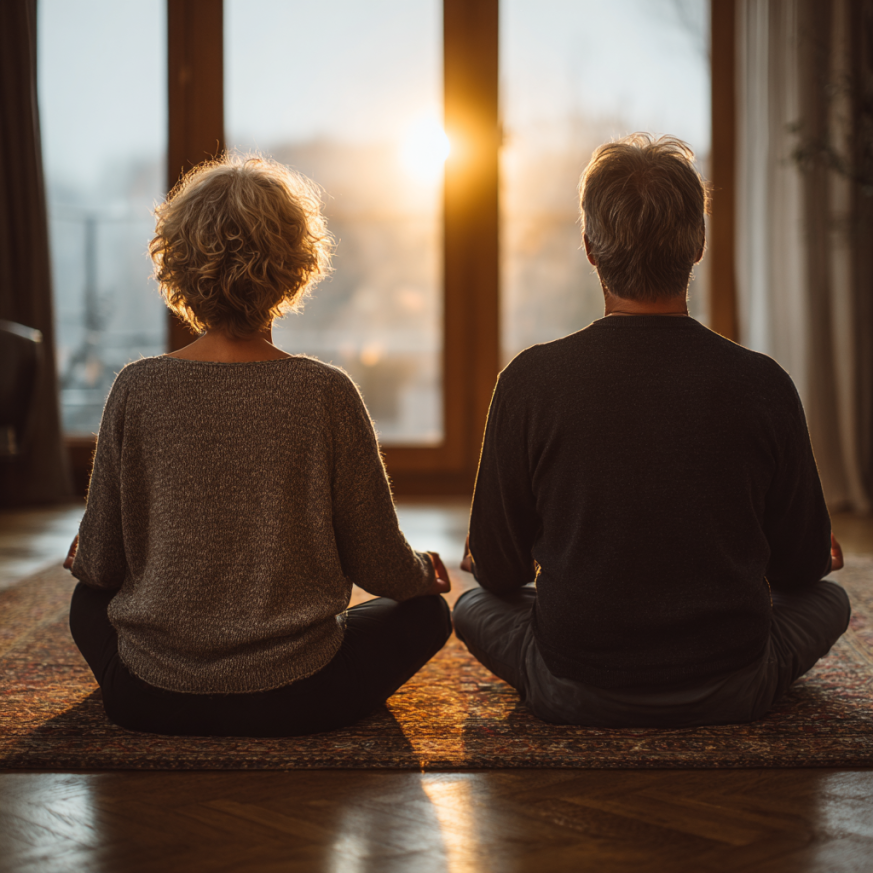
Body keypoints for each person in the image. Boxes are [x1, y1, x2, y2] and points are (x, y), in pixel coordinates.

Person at [453, 133, 850, 728]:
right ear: (699, 245)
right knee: (831, 600)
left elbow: (499, 572)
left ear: (590, 248)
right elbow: (800, 571)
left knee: (473, 607)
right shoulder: (764, 382)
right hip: (733, 687)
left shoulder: (529, 381)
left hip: (571, 688)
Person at [65, 154, 452, 737]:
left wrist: (97, 557)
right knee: (427, 616)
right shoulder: (326, 392)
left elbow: (98, 567)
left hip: (148, 697)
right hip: (302, 694)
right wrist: (423, 574)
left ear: (177, 264)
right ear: (296, 266)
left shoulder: (136, 387)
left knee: (85, 606)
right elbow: (380, 564)